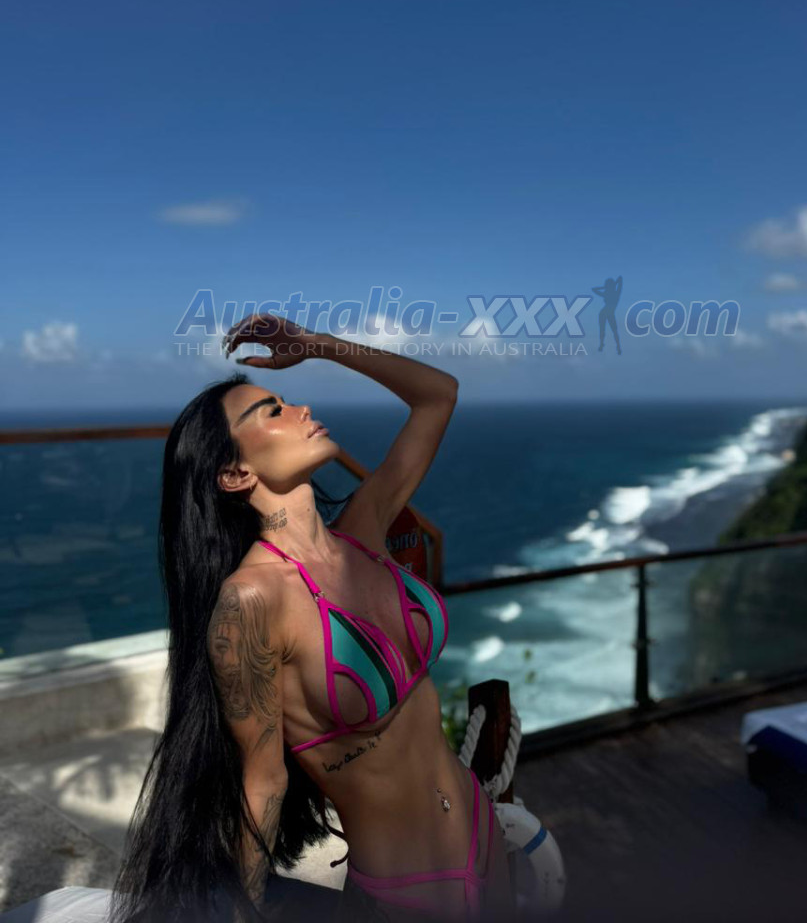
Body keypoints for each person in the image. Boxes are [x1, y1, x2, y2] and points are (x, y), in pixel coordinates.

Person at [110, 315, 515, 923]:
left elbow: (438, 395)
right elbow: (264, 783)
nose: (301, 408)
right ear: (235, 474)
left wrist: (317, 346)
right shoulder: (251, 602)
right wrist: (245, 913)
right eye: (272, 411)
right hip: (406, 891)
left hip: (485, 843)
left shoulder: (362, 536)